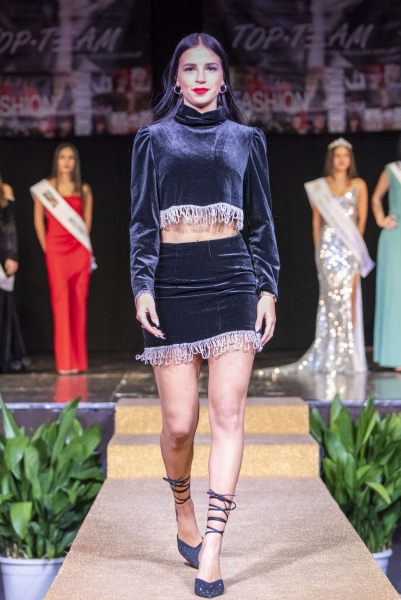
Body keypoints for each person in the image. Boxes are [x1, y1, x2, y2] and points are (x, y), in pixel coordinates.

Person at [130, 33, 279, 598]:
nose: (199, 77)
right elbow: (142, 221)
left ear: (222, 78)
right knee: (179, 424)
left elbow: (261, 222)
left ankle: (212, 548)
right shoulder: (152, 139)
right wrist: (142, 285)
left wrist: (267, 289)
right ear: (176, 78)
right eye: (189, 68)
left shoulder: (246, 139)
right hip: (172, 282)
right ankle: (183, 508)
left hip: (234, 279)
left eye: (209, 68)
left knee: (228, 414)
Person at [264, 138, 373, 377]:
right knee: (330, 302)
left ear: (350, 159)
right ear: (331, 159)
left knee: (349, 300)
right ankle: (330, 354)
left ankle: (349, 357)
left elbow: (361, 220)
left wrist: (355, 248)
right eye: (337, 155)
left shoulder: (359, 185)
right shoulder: (320, 187)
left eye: (346, 155)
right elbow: (317, 222)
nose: (342, 160)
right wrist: (319, 253)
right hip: (327, 248)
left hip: (350, 248)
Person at [33, 143, 93, 374]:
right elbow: (38, 221)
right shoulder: (46, 188)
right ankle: (65, 362)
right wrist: (47, 248)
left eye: (71, 157)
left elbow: (86, 224)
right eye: (62, 157)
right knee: (60, 303)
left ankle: (78, 362)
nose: (66, 161)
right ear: (56, 160)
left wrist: (83, 248)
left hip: (79, 251)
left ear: (75, 162)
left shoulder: (84, 189)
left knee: (79, 303)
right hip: (56, 251)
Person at [372, 155, 401, 370]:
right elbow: (376, 198)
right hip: (395, 235)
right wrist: (381, 219)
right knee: (396, 294)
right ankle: (396, 355)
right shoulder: (393, 170)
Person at [0, 175, 29, 372]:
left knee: (3, 306)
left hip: (2, 255)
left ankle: (6, 358)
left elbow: (9, 224)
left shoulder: (4, 189)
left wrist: (12, 254)